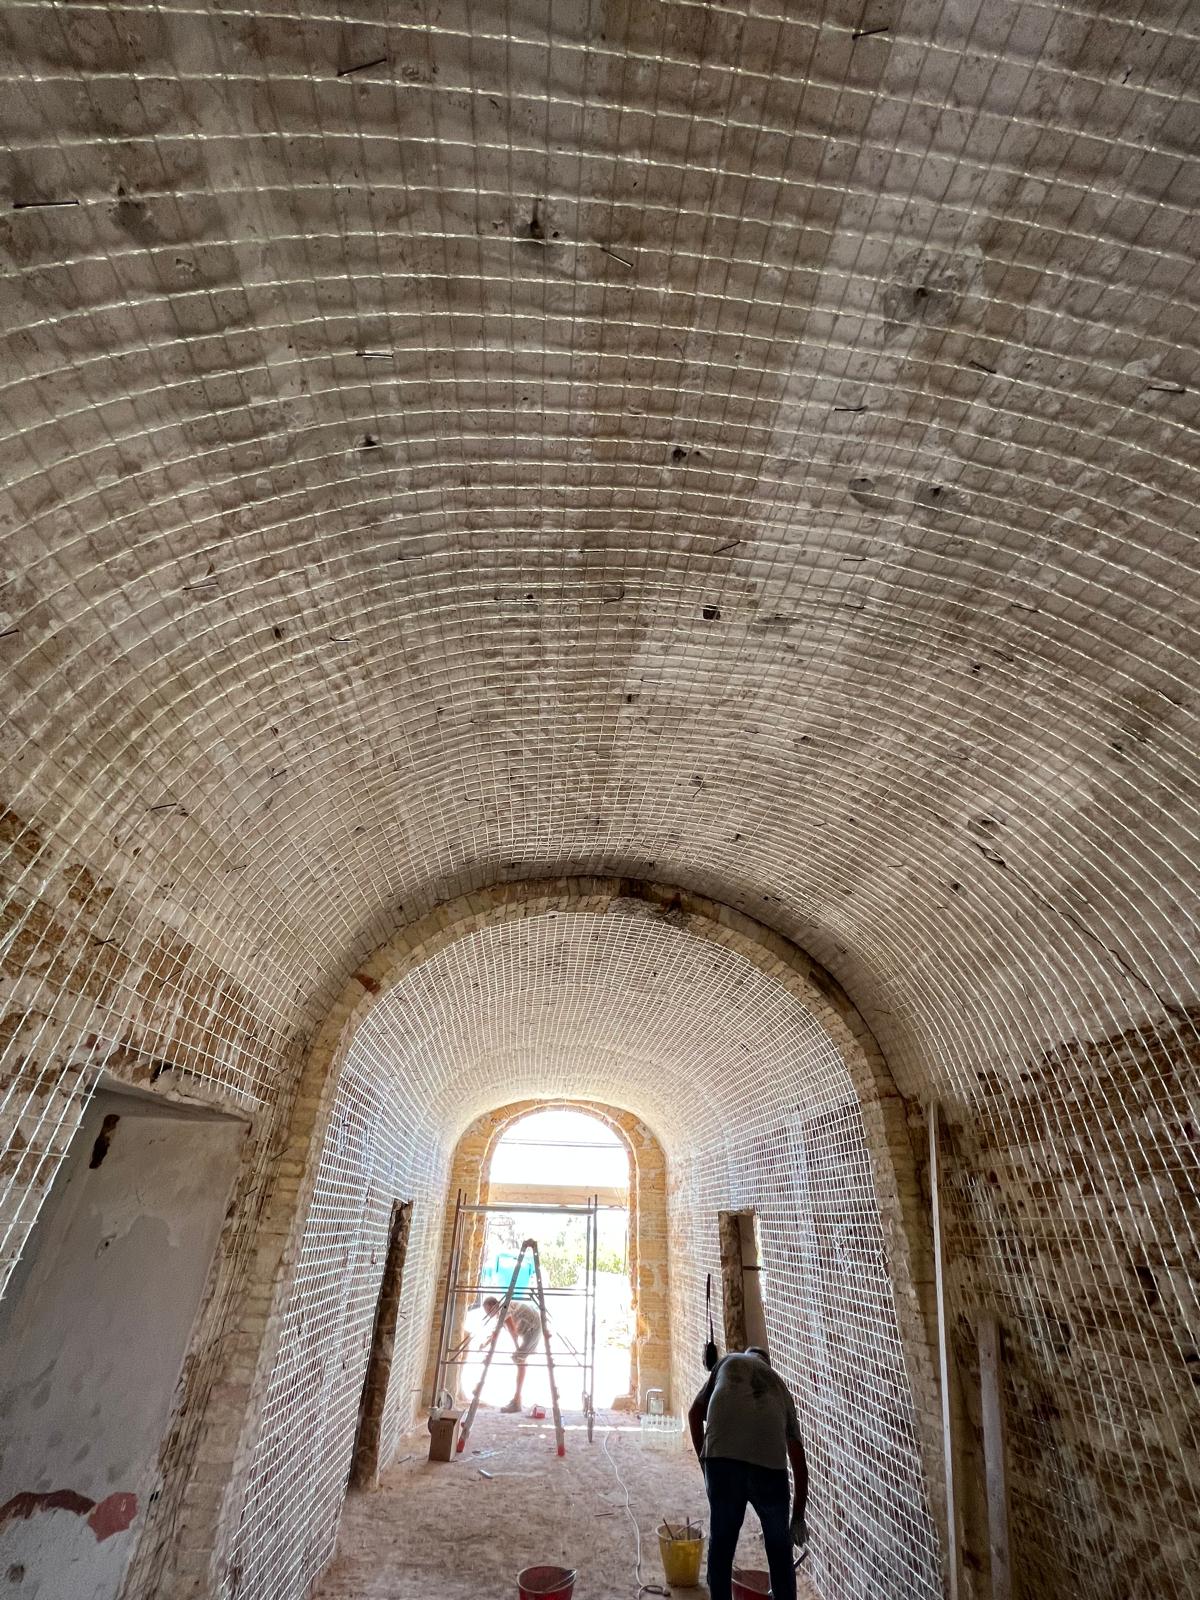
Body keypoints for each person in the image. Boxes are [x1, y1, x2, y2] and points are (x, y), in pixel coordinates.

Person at [688, 1346, 808, 1600]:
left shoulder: (728, 1362)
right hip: (770, 1470)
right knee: (780, 1552)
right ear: (766, 1363)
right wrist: (798, 1516)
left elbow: (694, 1413)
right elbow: (798, 1459)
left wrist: (705, 1464)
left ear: (747, 1355)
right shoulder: (779, 1385)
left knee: (721, 1548)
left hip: (722, 1462)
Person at [481, 1294, 544, 1413]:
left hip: (533, 1328)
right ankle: (517, 1399)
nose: (488, 1315)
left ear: (494, 1306)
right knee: (519, 1359)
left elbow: (512, 1330)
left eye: (488, 1311)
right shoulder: (502, 1311)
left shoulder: (504, 1309)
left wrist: (517, 1348)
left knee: (519, 1359)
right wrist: (485, 1344)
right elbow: (496, 1332)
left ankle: (517, 1400)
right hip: (530, 1328)